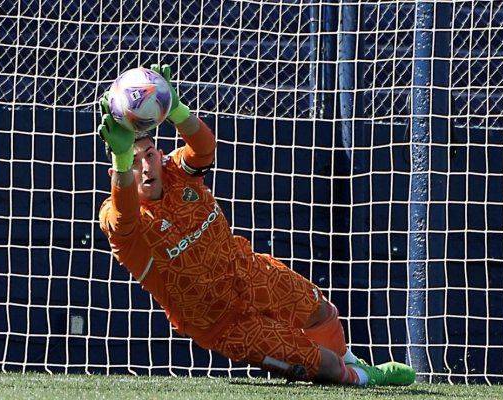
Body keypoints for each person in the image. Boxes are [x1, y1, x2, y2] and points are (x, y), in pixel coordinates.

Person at [97, 64, 416, 386]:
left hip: (250, 273)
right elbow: (125, 218)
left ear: (160, 154)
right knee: (329, 370)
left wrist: (178, 109)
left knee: (322, 311)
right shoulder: (117, 217)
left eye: (149, 155)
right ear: (118, 173)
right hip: (222, 324)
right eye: (134, 162)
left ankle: (356, 363)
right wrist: (121, 159)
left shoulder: (177, 172)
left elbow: (204, 149)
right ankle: (360, 377)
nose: (146, 166)